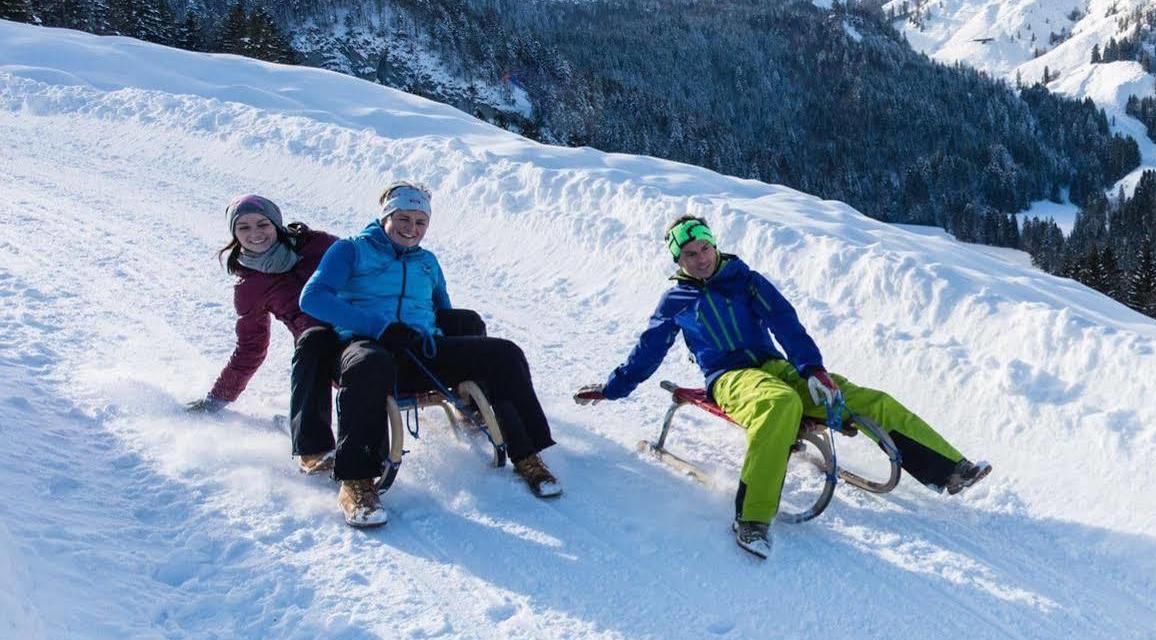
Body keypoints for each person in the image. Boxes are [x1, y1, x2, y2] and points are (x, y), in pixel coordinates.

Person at [575, 214, 990, 557]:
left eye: (704, 248)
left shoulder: (747, 281)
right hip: (730, 378)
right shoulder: (675, 303)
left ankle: (951, 469)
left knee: (864, 398)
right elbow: (647, 353)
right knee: (779, 405)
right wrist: (613, 388)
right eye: (689, 254)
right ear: (677, 261)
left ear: (714, 245)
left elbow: (786, 325)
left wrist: (813, 370)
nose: (700, 259)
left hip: (775, 365)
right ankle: (752, 519)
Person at [300, 181, 562, 527]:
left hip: (419, 348)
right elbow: (313, 297)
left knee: (505, 354)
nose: (412, 229)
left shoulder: (427, 262)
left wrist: (459, 354)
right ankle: (357, 482)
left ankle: (528, 456)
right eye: (403, 219)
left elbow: (444, 311)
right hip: (367, 346)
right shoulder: (351, 251)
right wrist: (378, 327)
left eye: (420, 222)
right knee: (369, 362)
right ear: (386, 217)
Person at [185, 195, 342, 473]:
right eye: (243, 228)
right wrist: (218, 398)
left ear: (277, 223)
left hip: (360, 326)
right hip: (320, 353)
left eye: (262, 224)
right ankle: (313, 447)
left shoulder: (318, 244)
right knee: (313, 342)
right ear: (234, 233)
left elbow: (365, 266)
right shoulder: (249, 286)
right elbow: (251, 347)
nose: (255, 234)